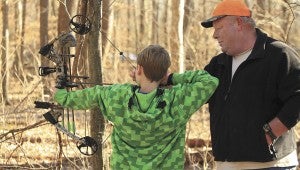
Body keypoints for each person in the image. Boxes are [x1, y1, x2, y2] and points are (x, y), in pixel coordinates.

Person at [54, 44, 218, 169]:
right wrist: (171, 79)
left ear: (139, 69)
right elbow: (209, 81)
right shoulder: (178, 100)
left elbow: (64, 98)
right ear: (164, 74)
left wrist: (60, 89)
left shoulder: (117, 96)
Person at [200, 0, 300, 169]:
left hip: (271, 164)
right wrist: (164, 79)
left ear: (238, 23)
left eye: (219, 28)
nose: (214, 35)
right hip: (227, 164)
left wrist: (270, 132)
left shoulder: (279, 55)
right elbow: (194, 90)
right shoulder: (218, 64)